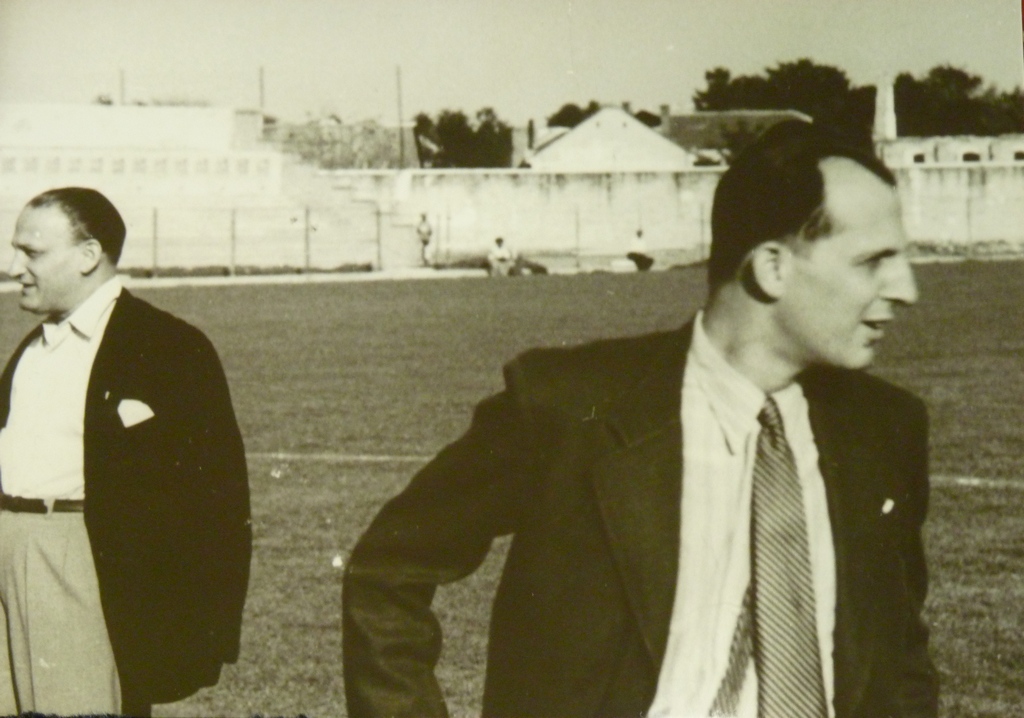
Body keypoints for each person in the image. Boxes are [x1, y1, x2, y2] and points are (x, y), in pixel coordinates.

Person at [342, 120, 938, 718]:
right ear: (772, 268)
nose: (907, 289)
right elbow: (390, 568)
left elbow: (900, 654)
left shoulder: (886, 430)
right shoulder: (566, 407)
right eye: (873, 261)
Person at [0, 187, 251, 716]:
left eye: (32, 253)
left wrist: (207, 628)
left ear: (88, 255)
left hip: (83, 565)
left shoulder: (168, 346)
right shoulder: (31, 351)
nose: (15, 267)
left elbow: (219, 499)